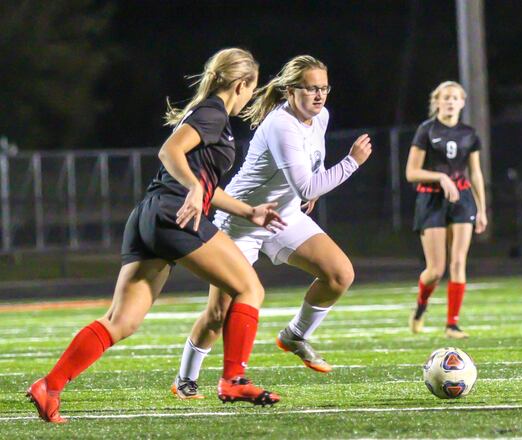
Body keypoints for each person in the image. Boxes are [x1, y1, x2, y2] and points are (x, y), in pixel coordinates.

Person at [26, 48, 285, 423]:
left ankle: (50, 385)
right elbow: (170, 151)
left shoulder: (208, 114)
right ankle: (233, 379)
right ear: (242, 84)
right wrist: (194, 187)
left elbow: (201, 181)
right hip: (174, 212)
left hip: (150, 215)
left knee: (122, 321)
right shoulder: (214, 112)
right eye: (251, 89)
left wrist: (248, 210)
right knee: (250, 289)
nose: (249, 98)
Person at [171, 55, 373, 399]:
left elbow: (311, 172)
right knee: (219, 312)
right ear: (290, 90)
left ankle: (295, 335)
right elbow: (307, 185)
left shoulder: (320, 116)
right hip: (242, 218)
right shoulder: (281, 124)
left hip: (283, 215)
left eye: (324, 88)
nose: (319, 95)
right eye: (311, 88)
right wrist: (351, 162)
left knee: (339, 274)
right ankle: (185, 379)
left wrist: (312, 186)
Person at [405, 81, 487, 339]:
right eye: (446, 97)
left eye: (455, 98)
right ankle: (421, 307)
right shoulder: (426, 130)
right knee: (436, 270)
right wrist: (440, 178)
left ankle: (452, 323)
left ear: (462, 102)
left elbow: (475, 173)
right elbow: (411, 172)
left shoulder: (469, 134)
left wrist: (482, 209)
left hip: (461, 200)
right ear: (437, 102)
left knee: (459, 261)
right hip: (431, 200)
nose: (451, 101)